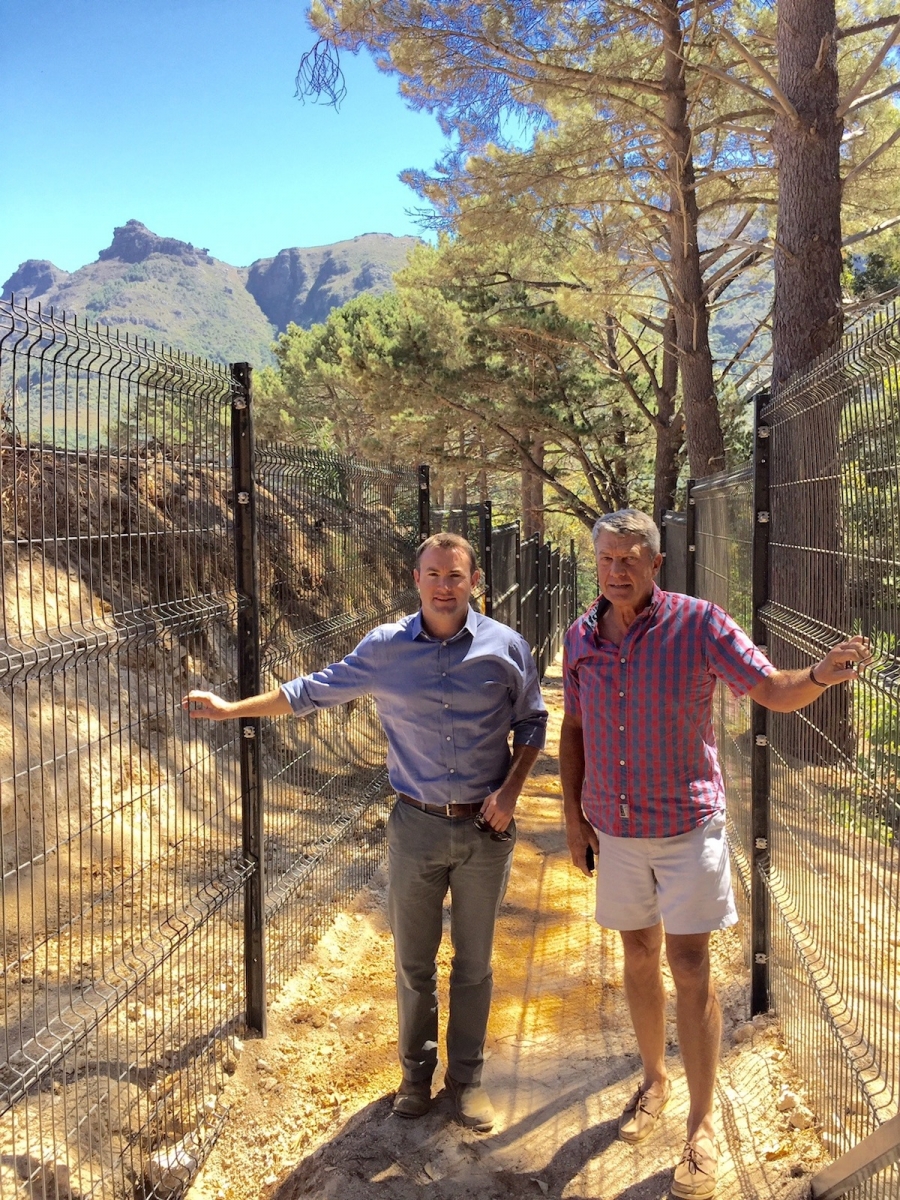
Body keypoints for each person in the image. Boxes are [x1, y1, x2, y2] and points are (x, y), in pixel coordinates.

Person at [183, 531, 547, 1132]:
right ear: (416, 579)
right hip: (415, 827)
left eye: (456, 576)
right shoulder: (384, 649)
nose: (445, 586)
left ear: (474, 582)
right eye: (434, 574)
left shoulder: (505, 647)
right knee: (413, 964)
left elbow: (533, 722)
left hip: (486, 829)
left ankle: (468, 1081)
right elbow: (308, 693)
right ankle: (414, 1077)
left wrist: (510, 794)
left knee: (475, 963)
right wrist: (231, 710)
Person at [559, 509, 870, 1199]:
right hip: (614, 829)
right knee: (636, 954)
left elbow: (769, 689)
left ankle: (701, 1126)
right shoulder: (579, 637)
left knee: (690, 966)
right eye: (608, 559)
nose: (618, 570)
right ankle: (653, 1081)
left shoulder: (699, 624)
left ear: (656, 564)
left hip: (686, 827)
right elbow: (574, 728)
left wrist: (818, 673)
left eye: (631, 558)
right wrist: (572, 818)